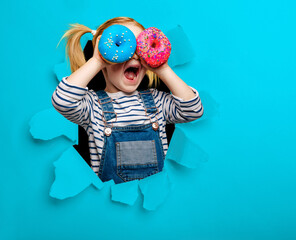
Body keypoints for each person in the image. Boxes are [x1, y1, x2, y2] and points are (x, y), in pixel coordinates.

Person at [52, 17, 203, 184]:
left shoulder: (157, 101)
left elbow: (193, 110)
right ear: (105, 56)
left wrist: (162, 68)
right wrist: (96, 61)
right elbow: (63, 101)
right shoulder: (92, 106)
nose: (135, 55)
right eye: (123, 46)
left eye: (140, 47)